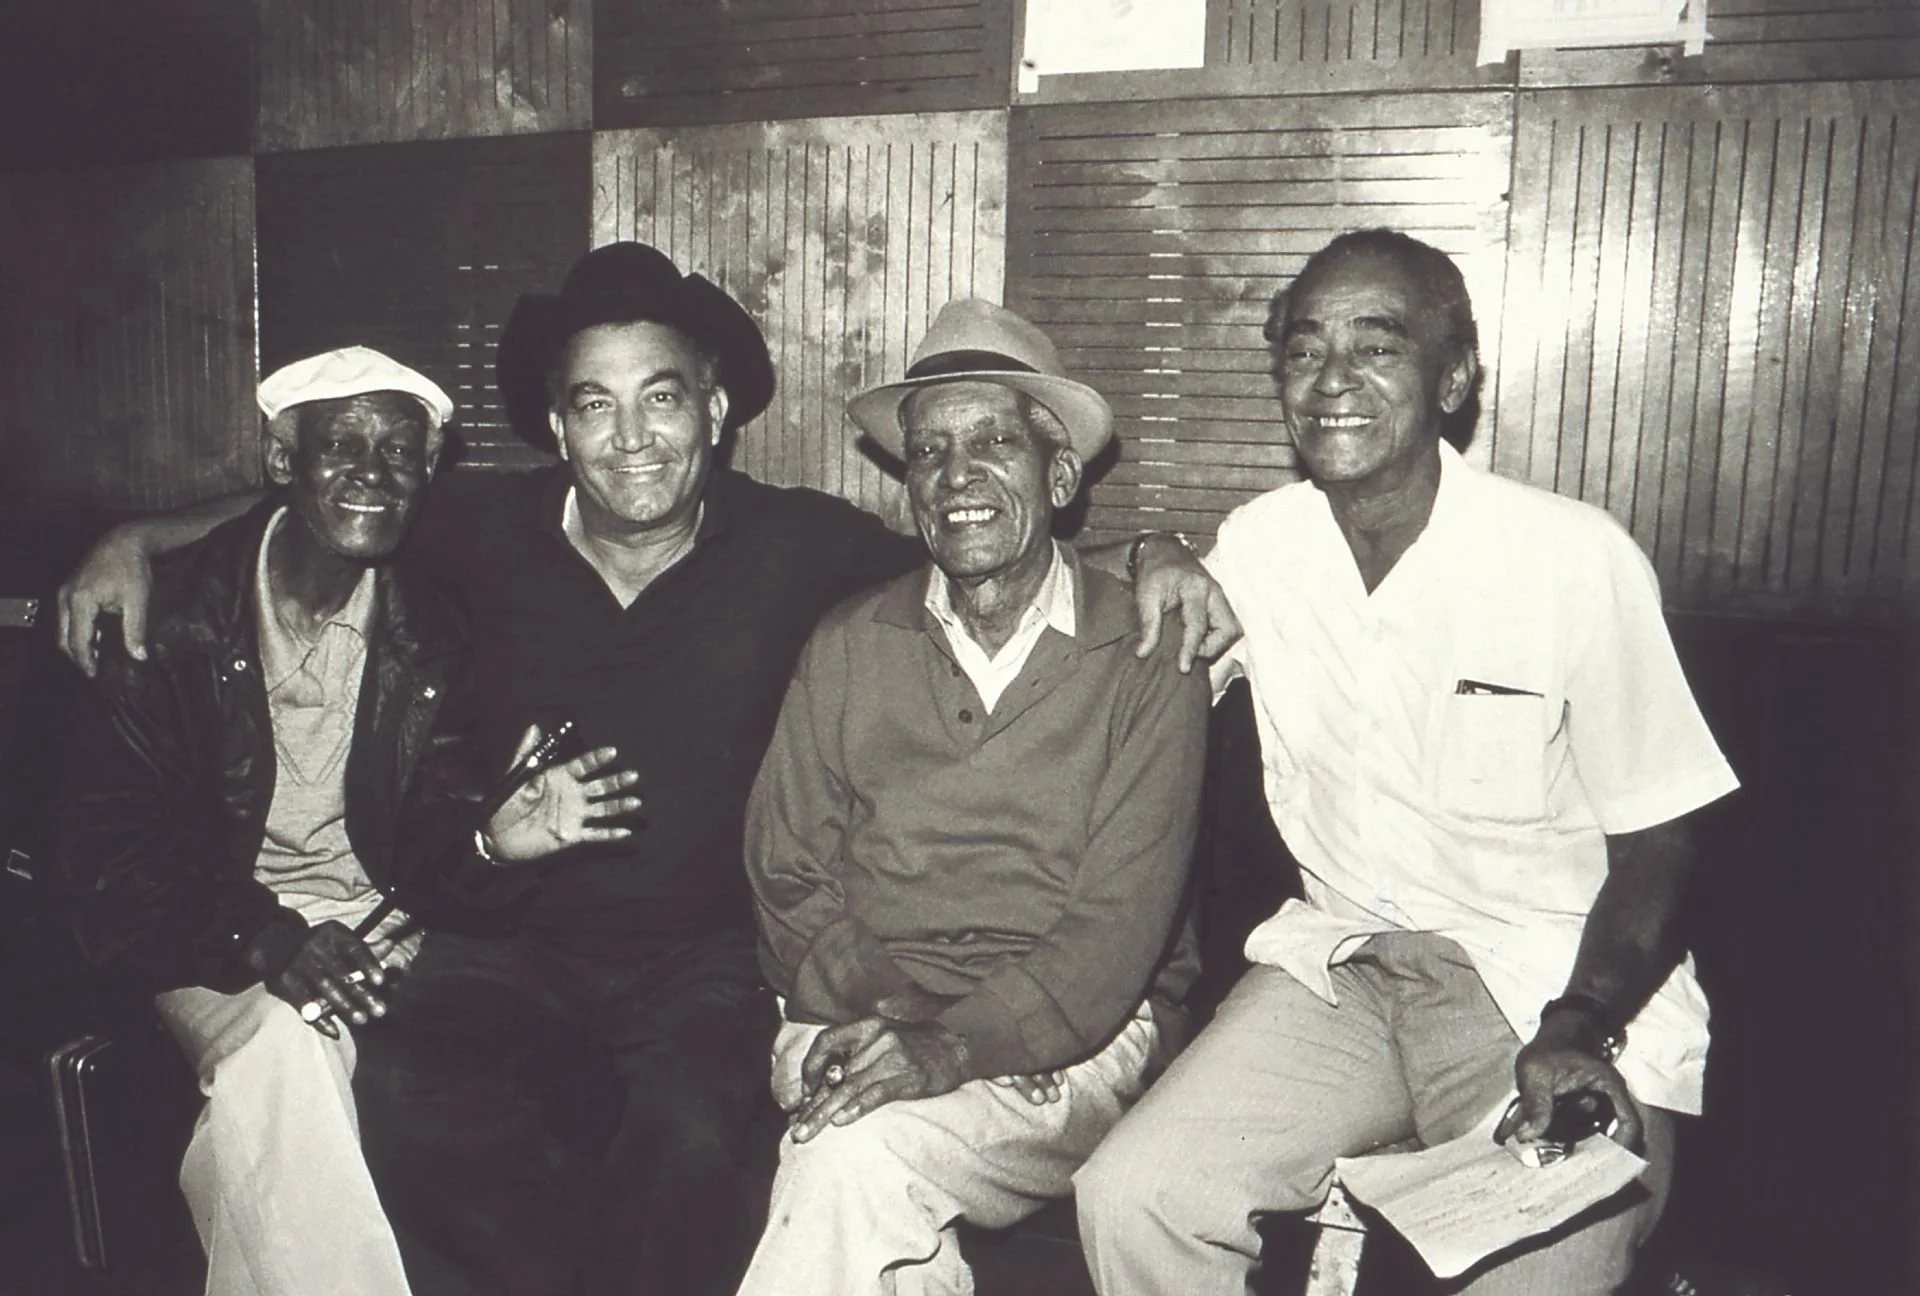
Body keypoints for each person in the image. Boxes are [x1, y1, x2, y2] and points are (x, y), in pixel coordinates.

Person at [53, 242, 1236, 1295]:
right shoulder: (480, 528)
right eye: (595, 405)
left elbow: (980, 538)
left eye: (661, 398)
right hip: (506, 944)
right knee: (410, 1104)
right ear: (557, 428)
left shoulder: (800, 547)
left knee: (693, 1139)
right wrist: (133, 539)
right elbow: (325, 500)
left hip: (707, 963)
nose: (631, 439)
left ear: (713, 411)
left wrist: (1158, 550)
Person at [1073, 229, 1741, 1295]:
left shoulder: (1572, 558)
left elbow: (1662, 837)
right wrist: (1155, 547)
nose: (1331, 379)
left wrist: (1580, 1024)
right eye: (1304, 351)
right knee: (1137, 1196)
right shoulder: (1266, 545)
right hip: (1343, 970)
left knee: (1544, 1268)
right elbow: (1075, 588)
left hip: (1547, 989)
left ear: (1453, 380)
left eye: (1376, 347)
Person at [54, 347, 640, 1296]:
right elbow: (114, 861)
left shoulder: (435, 629)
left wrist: (494, 842)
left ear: (428, 473)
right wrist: (268, 938)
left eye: (401, 453)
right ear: (282, 461)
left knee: (285, 1109)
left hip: (379, 930)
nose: (374, 473)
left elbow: (432, 850)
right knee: (285, 1048)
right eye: (343, 446)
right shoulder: (163, 622)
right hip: (202, 929)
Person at [737, 300, 1209, 1295]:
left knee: (848, 1157)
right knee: (860, 1172)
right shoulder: (850, 642)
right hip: (856, 1004)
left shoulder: (1145, 652)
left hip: (1075, 1030)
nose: (956, 476)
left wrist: (971, 1037)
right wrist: (919, 1023)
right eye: (929, 452)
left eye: (993, 441)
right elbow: (785, 872)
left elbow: (1118, 926)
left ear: (1059, 476)